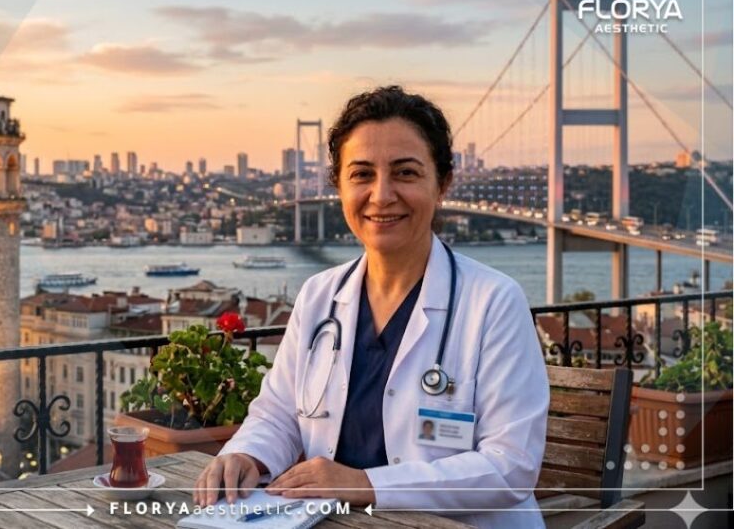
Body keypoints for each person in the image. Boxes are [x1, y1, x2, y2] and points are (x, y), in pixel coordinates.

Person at [193, 86, 549, 528]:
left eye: (405, 173)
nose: (381, 196)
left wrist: (366, 484)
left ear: (443, 184)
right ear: (338, 186)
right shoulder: (319, 295)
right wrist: (247, 454)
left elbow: (510, 466)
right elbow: (279, 413)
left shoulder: (494, 302)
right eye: (361, 174)